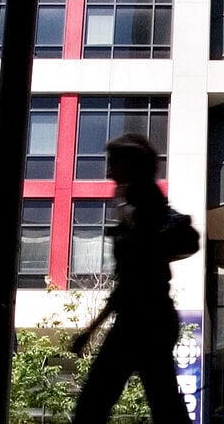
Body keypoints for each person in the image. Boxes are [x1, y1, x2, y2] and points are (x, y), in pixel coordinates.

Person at [68, 133, 189, 424]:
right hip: (144, 319)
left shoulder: (145, 205)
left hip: (144, 321)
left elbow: (135, 279)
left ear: (130, 166)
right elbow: (128, 282)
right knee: (164, 406)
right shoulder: (134, 205)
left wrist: (90, 330)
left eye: (113, 163)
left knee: (93, 405)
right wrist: (91, 329)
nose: (108, 171)